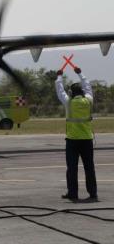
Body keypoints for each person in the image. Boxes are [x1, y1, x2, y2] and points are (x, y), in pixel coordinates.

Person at [56, 67, 97, 201]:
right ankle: (93, 194)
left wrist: (59, 77)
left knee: (72, 169)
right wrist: (80, 73)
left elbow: (60, 91)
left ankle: (73, 194)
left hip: (72, 140)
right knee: (89, 168)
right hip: (87, 139)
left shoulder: (69, 102)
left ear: (72, 93)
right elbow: (88, 86)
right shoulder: (89, 100)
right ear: (83, 92)